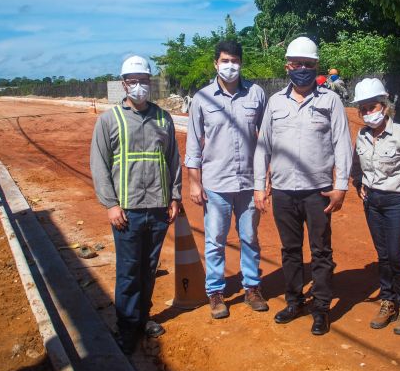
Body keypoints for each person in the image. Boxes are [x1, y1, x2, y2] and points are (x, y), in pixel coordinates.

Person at [254, 36, 352, 336]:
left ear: (316, 67)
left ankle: (321, 308)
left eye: (308, 64)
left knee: (321, 251)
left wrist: (341, 187)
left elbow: (342, 144)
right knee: (290, 250)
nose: (302, 69)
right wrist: (259, 186)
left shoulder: (330, 101)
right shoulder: (275, 102)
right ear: (287, 66)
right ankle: (294, 302)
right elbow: (263, 146)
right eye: (297, 64)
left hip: (318, 190)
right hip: (284, 190)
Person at [90, 55, 182, 354]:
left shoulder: (163, 118)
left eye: (143, 81)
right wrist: (111, 205)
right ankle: (127, 327)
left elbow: (173, 160)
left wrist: (175, 196)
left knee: (148, 268)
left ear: (150, 82)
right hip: (126, 211)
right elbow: (99, 165)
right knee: (129, 270)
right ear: (123, 84)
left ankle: (143, 318)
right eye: (133, 81)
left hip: (158, 208)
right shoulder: (109, 120)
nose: (139, 86)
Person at [185, 40, 268, 319]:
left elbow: (266, 138)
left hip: (248, 182)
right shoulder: (202, 98)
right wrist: (194, 182)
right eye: (225, 61)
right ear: (215, 63)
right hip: (216, 183)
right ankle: (215, 291)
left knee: (250, 237)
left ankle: (252, 288)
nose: (230, 66)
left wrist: (265, 177)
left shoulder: (256, 94)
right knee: (215, 240)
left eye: (234, 61)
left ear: (241, 63)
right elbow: (193, 143)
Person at [350, 78, 400, 335]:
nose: (367, 113)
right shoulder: (362, 136)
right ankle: (388, 301)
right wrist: (358, 183)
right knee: (383, 255)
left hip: (397, 201)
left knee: (396, 255)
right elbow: (356, 165)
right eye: (363, 109)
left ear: (384, 106)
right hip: (372, 202)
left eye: (372, 107)